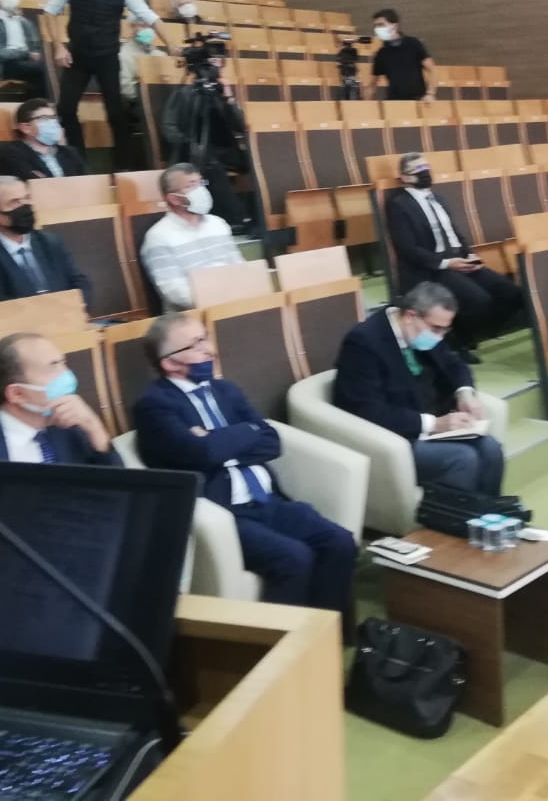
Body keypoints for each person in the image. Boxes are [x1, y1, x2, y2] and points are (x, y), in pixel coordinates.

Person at [134, 314, 355, 612]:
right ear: (170, 363)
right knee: (293, 558)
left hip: (268, 500)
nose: (209, 349)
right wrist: (243, 435)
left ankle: (329, 631)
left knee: (340, 541)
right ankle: (280, 640)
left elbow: (271, 441)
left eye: (205, 338)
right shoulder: (154, 406)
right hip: (227, 512)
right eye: (195, 344)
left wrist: (218, 439)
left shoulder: (226, 390)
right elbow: (202, 454)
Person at [332, 282, 504, 495]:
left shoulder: (422, 329)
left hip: (433, 427)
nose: (440, 337)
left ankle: (489, 513)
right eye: (437, 329)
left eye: (445, 330)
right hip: (398, 436)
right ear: (410, 316)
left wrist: (465, 393)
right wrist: (434, 424)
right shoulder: (364, 342)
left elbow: (454, 364)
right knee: (462, 458)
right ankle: (452, 516)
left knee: (490, 448)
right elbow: (367, 410)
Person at [385, 151, 524, 357]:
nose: (425, 172)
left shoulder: (439, 198)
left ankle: (478, 332)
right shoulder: (399, 204)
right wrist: (447, 263)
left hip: (460, 259)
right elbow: (408, 249)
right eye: (418, 169)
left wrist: (470, 255)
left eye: (426, 167)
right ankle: (457, 339)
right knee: (478, 300)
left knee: (511, 292)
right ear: (404, 177)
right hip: (433, 268)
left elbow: (455, 233)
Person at [45, 0, 160, 167]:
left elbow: (149, 16)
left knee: (116, 111)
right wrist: (59, 47)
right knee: (66, 108)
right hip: (78, 54)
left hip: (107, 55)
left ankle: (123, 164)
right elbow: (50, 12)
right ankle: (78, 160)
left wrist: (172, 44)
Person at [0, 331, 119, 465]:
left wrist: (96, 431)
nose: (67, 375)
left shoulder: (73, 425)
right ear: (17, 394)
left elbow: (120, 497)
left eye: (63, 363)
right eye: (53, 367)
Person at [0, 175, 91, 310]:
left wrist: (71, 309)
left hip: (68, 320)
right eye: (15, 202)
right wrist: (52, 312)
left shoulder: (50, 242)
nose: (25, 207)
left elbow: (80, 283)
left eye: (27, 199)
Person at [138, 162, 242, 311]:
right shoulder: (158, 237)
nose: (201, 190)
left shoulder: (218, 224)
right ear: (174, 199)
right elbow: (175, 292)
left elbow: (239, 266)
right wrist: (221, 299)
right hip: (193, 315)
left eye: (201, 183)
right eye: (192, 185)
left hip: (234, 304)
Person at [0, 98, 87, 180]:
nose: (52, 123)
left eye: (53, 118)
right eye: (45, 118)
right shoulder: (11, 153)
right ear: (25, 128)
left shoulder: (70, 152)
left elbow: (86, 181)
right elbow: (30, 184)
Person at [369, 8, 434, 102]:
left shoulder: (413, 44)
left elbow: (432, 70)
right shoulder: (381, 53)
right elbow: (372, 85)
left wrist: (430, 94)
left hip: (417, 100)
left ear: (394, 26)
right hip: (394, 103)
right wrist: (367, 106)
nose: (377, 29)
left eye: (381, 25)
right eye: (376, 26)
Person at [119, 26, 169, 106]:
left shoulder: (160, 55)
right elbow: (126, 89)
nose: (147, 29)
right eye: (142, 25)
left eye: (150, 26)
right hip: (136, 103)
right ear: (133, 27)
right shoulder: (124, 54)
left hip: (160, 102)